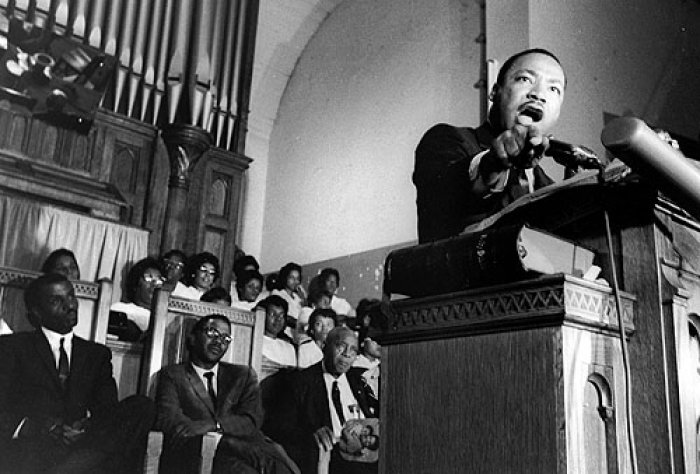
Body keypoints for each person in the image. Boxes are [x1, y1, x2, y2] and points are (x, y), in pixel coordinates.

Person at [0, 273, 154, 473]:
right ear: (36, 313)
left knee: (142, 406)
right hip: (35, 446)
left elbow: (107, 412)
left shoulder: (96, 354)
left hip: (83, 447)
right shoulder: (12, 348)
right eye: (57, 300)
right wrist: (37, 427)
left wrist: (85, 429)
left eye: (71, 296)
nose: (70, 305)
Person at [413, 48, 568, 243]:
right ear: (495, 91)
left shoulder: (550, 189)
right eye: (525, 79)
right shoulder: (446, 139)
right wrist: (492, 164)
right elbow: (442, 193)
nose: (538, 94)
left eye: (553, 89)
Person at [155, 314, 299, 474]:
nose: (219, 341)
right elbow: (170, 420)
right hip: (201, 455)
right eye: (212, 333)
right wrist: (220, 441)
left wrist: (212, 425)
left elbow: (252, 420)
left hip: (250, 449)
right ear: (192, 338)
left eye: (226, 338)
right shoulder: (174, 375)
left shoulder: (242, 375)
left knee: (283, 466)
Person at [276, 327, 379, 474]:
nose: (347, 354)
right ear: (324, 346)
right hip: (330, 456)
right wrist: (311, 434)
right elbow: (282, 429)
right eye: (341, 346)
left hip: (367, 453)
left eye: (353, 350)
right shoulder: (300, 382)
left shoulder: (360, 380)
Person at [109, 257, 164, 341]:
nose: (154, 284)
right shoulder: (121, 309)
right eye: (148, 278)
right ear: (136, 282)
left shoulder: (164, 317)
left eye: (158, 280)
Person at [259, 295, 297, 380]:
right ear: (263, 315)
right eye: (273, 314)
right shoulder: (255, 341)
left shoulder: (289, 348)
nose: (278, 319)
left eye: (281, 316)